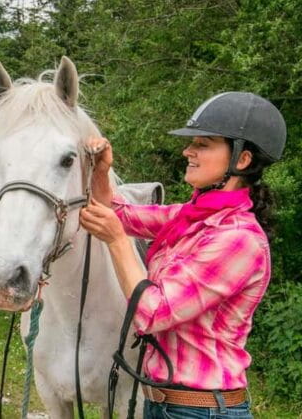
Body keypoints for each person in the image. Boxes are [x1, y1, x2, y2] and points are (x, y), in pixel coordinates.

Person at [78, 92, 286, 418]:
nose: (187, 151)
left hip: (202, 411)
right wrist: (101, 173)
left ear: (241, 160)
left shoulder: (238, 239)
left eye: (203, 144)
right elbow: (117, 214)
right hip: (165, 404)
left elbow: (153, 312)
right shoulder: (191, 218)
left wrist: (118, 243)